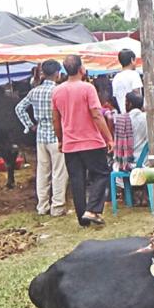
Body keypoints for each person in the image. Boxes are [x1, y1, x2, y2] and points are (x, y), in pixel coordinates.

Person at [52, 55, 114, 227]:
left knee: (77, 180)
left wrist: (60, 140)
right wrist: (109, 137)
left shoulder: (57, 91)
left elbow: (55, 120)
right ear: (81, 69)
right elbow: (96, 114)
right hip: (91, 141)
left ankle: (83, 219)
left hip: (70, 143)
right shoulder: (87, 88)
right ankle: (92, 210)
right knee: (101, 174)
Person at [15, 60, 68, 217]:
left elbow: (19, 108)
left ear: (43, 73)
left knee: (42, 172)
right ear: (58, 73)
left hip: (40, 136)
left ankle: (42, 206)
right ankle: (57, 207)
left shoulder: (34, 91)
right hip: (56, 136)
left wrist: (29, 125)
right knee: (59, 172)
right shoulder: (59, 91)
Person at [126, 91, 154, 162]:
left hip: (125, 162)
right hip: (144, 161)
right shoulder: (148, 118)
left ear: (130, 104)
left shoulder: (121, 120)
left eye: (125, 102)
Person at [112, 48, 142, 114]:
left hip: (122, 115)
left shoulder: (116, 77)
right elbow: (137, 93)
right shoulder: (134, 74)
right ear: (132, 60)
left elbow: (115, 97)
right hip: (134, 114)